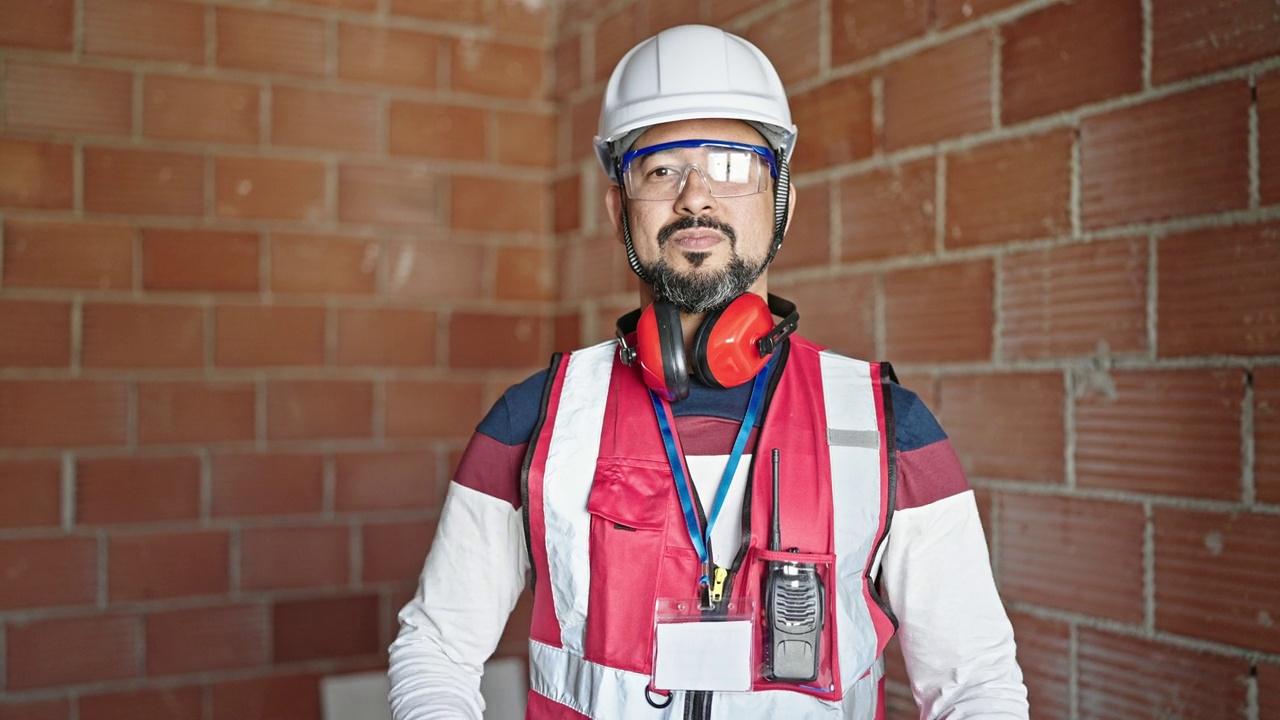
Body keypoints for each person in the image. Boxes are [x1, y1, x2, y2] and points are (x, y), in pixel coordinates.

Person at [388, 24, 1028, 719]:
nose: (696, 196)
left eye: (731, 164)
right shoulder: (535, 420)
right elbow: (437, 648)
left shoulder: (885, 426)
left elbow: (975, 685)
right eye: (661, 169)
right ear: (618, 208)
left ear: (782, 199)